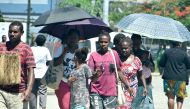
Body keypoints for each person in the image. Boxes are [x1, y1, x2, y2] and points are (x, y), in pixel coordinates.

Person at [0, 21, 36, 109]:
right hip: (1, 91)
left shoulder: (26, 48)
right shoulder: (1, 46)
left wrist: (28, 90)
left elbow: (31, 70)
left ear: (22, 33)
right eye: (10, 31)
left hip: (18, 93)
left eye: (15, 32)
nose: (12, 34)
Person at [88, 32, 122, 109]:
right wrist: (96, 74)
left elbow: (119, 70)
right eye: (101, 42)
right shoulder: (93, 55)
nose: (103, 44)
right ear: (98, 42)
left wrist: (127, 85)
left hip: (111, 92)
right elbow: (90, 75)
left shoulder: (114, 54)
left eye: (106, 42)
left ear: (109, 43)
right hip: (95, 91)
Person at [116, 37, 147, 109]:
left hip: (131, 89)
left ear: (130, 47)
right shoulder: (116, 59)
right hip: (118, 88)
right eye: (122, 48)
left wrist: (145, 88)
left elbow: (141, 75)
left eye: (126, 48)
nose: (124, 50)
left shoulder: (136, 60)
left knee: (125, 106)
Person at [53, 29, 80, 109]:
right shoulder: (61, 49)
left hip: (76, 83)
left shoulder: (80, 51)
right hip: (62, 82)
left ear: (78, 39)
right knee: (65, 107)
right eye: (71, 37)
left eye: (75, 37)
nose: (73, 40)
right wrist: (64, 52)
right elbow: (55, 63)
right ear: (67, 38)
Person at [159, 41, 190, 109]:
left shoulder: (167, 52)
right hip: (181, 78)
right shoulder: (184, 53)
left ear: (171, 44)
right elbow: (188, 66)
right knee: (180, 97)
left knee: (170, 97)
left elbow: (161, 63)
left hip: (168, 77)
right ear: (179, 44)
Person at [130, 34, 155, 108]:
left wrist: (147, 62)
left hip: (145, 84)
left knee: (147, 105)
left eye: (137, 43)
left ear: (141, 42)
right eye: (134, 43)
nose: (135, 45)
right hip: (132, 84)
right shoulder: (128, 53)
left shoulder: (146, 54)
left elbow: (153, 69)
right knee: (133, 105)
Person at [29, 35, 52, 109]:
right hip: (42, 74)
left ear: (35, 41)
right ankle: (43, 107)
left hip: (32, 74)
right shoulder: (45, 50)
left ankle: (33, 107)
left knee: (32, 92)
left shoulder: (31, 49)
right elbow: (49, 61)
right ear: (44, 42)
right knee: (43, 92)